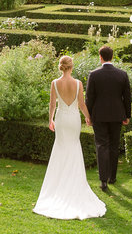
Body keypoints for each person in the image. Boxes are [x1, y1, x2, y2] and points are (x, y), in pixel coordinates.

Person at [33, 54, 107, 219]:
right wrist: (89, 118)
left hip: (61, 119)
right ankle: (73, 185)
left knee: (60, 148)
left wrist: (50, 119)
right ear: (71, 67)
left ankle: (58, 187)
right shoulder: (78, 83)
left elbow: (52, 104)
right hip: (73, 119)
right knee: (74, 148)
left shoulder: (55, 83)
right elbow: (81, 104)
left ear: (61, 67)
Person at [84, 44, 132, 191]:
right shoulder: (122, 74)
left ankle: (103, 180)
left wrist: (88, 116)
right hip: (117, 115)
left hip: (99, 115)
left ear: (100, 57)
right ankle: (112, 177)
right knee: (113, 145)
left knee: (101, 145)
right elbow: (127, 98)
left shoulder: (94, 74)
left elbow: (89, 98)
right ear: (112, 56)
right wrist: (127, 115)